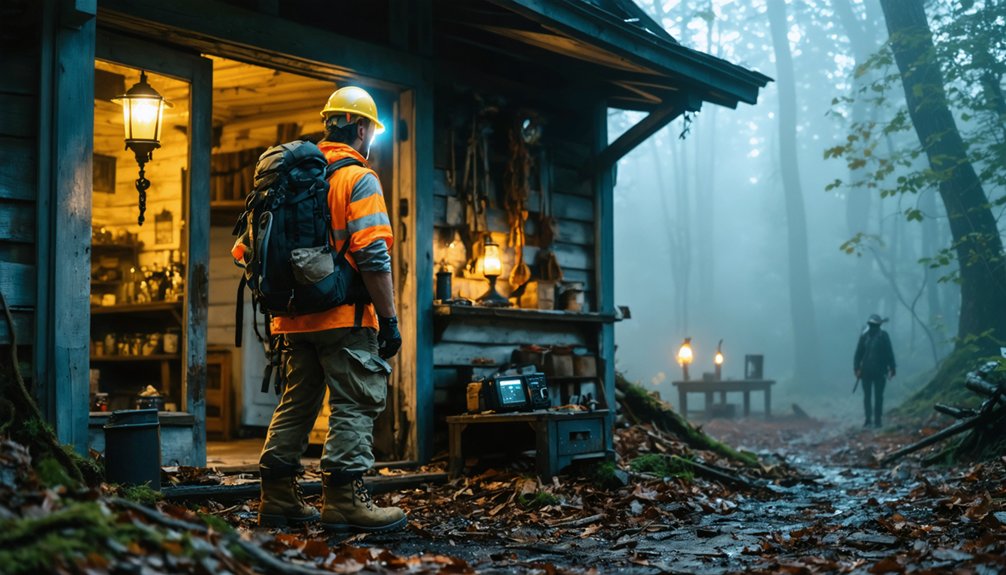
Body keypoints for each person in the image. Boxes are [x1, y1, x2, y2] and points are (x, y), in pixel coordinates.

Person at [257, 86, 406, 533]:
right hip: (345, 317)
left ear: (329, 124)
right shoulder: (358, 178)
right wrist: (391, 320)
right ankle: (344, 501)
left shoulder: (287, 179)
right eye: (370, 131)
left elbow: (244, 251)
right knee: (354, 402)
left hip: (291, 320)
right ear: (361, 129)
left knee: (297, 403)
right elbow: (373, 255)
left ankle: (277, 497)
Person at [853, 314, 896, 428]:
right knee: (867, 396)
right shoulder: (864, 337)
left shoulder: (884, 336)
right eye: (871, 325)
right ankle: (868, 419)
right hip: (866, 372)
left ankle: (878, 420)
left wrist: (892, 368)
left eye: (875, 325)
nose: (873, 327)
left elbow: (889, 352)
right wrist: (856, 369)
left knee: (879, 396)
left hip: (880, 371)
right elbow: (858, 354)